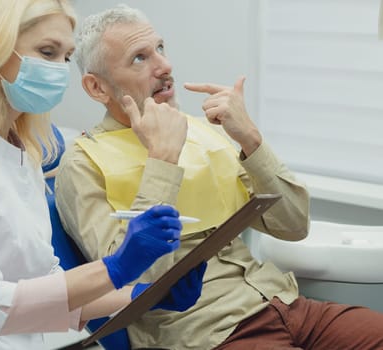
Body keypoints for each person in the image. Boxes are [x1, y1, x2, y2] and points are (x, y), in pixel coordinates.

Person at [0, 1, 208, 349]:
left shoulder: (21, 145)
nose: (59, 69)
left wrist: (147, 294)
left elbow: (48, 291)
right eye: (47, 52)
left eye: (65, 57)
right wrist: (116, 266)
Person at [55, 4, 383, 350]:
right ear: (97, 88)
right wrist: (162, 160)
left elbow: (294, 225)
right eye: (140, 58)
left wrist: (251, 140)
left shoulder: (199, 132)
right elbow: (123, 277)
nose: (164, 66)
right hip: (205, 331)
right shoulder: (82, 162)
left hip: (281, 302)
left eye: (161, 49)